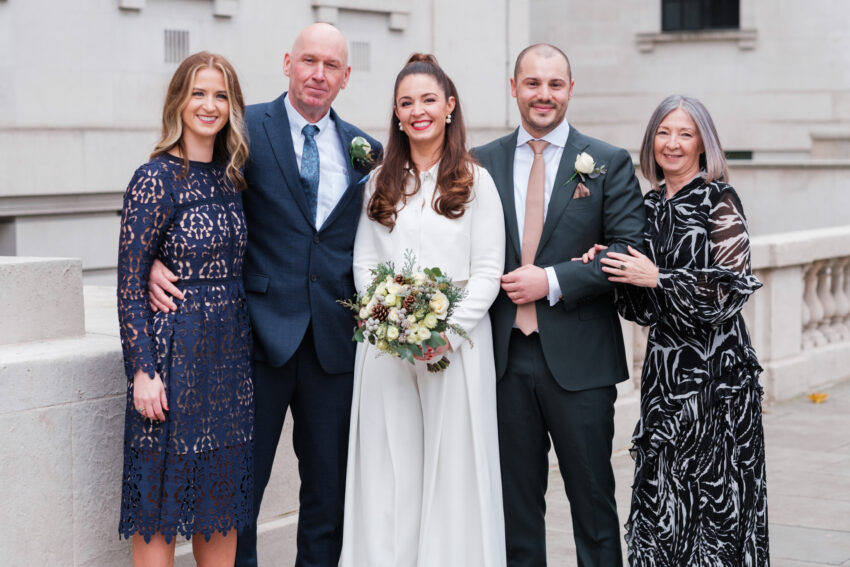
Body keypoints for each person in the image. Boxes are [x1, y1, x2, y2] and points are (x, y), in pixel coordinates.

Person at [146, 23, 382, 567]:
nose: (317, 74)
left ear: (346, 76)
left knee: (328, 493)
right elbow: (182, 180)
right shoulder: (244, 127)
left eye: (331, 66)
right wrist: (155, 255)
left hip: (333, 346)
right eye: (308, 61)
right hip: (253, 341)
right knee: (238, 492)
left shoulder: (364, 149)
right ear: (287, 63)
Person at [472, 44, 646, 566]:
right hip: (502, 360)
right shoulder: (481, 162)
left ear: (570, 89)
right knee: (516, 506)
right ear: (513, 87)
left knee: (592, 503)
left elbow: (628, 249)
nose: (543, 95)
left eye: (554, 84)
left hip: (581, 362)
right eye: (532, 83)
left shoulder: (608, 163)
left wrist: (550, 279)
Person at [582, 94, 769, 564]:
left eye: (685, 133)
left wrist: (659, 276)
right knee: (662, 504)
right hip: (664, 379)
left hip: (717, 381)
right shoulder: (645, 207)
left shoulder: (719, 199)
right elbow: (641, 309)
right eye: (664, 132)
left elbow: (731, 291)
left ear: (703, 144)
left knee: (715, 508)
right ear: (651, 141)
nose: (673, 143)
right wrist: (611, 263)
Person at [340, 53, 506, 567]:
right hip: (386, 350)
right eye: (406, 102)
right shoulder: (380, 182)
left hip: (453, 351)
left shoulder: (476, 182)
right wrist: (389, 321)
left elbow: (487, 270)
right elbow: (365, 260)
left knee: (453, 469)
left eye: (428, 100)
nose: (418, 111)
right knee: (389, 470)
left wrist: (446, 332)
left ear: (450, 107)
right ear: (395, 112)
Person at [117, 51, 253, 567]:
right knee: (157, 511)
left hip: (228, 365)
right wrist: (143, 373)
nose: (209, 104)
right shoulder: (155, 178)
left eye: (220, 95)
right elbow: (129, 283)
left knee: (219, 509)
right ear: (179, 99)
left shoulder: (232, 177)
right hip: (172, 364)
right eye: (199, 92)